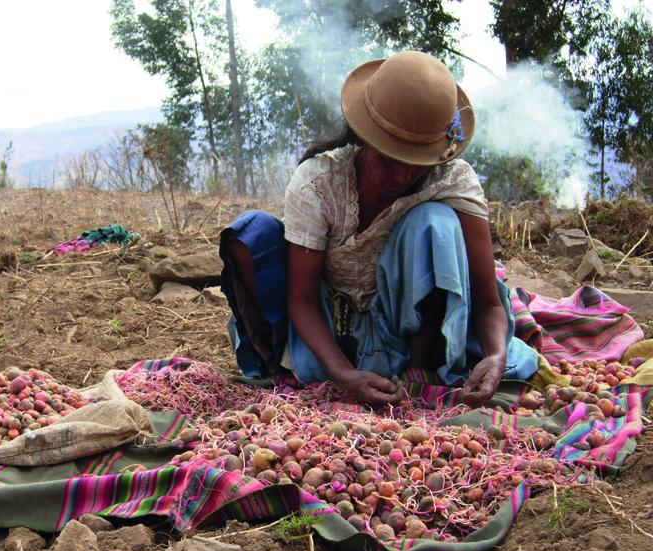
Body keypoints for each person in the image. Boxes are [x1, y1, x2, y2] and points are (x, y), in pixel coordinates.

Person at [219, 51, 538, 407]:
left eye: (416, 164)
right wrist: (345, 374)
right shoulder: (319, 182)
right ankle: (294, 365)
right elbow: (303, 300)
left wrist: (495, 354)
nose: (402, 177)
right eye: (388, 160)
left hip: (408, 325)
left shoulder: (453, 180)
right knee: (252, 234)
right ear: (362, 138)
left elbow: (486, 296)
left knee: (434, 221)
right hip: (330, 324)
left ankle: (418, 366)